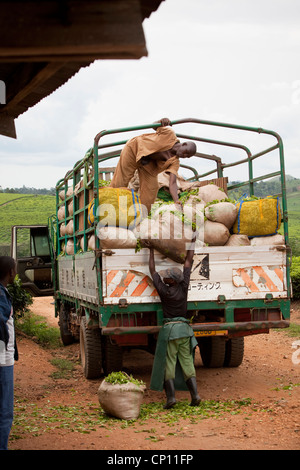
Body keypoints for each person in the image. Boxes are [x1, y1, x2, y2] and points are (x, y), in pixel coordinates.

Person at [148, 244, 201, 409]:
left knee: (169, 364)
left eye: (167, 277)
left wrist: (150, 250)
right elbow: (188, 261)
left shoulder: (164, 291)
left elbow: (152, 270)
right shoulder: (184, 287)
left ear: (171, 281)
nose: (164, 278)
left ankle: (171, 398)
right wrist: (192, 241)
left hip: (171, 332)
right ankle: (195, 395)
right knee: (187, 363)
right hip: (185, 331)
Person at [110, 118, 197, 213]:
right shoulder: (170, 134)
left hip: (148, 166)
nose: (184, 156)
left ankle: (142, 214)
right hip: (134, 150)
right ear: (184, 144)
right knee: (121, 179)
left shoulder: (175, 162)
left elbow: (172, 183)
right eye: (186, 152)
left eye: (187, 156)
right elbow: (154, 126)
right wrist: (161, 122)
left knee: (152, 188)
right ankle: (110, 206)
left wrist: (176, 200)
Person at [0, 256, 17, 450]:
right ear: (10, 272)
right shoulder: (1, 295)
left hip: (4, 358)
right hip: (3, 361)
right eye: (15, 269)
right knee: (5, 412)